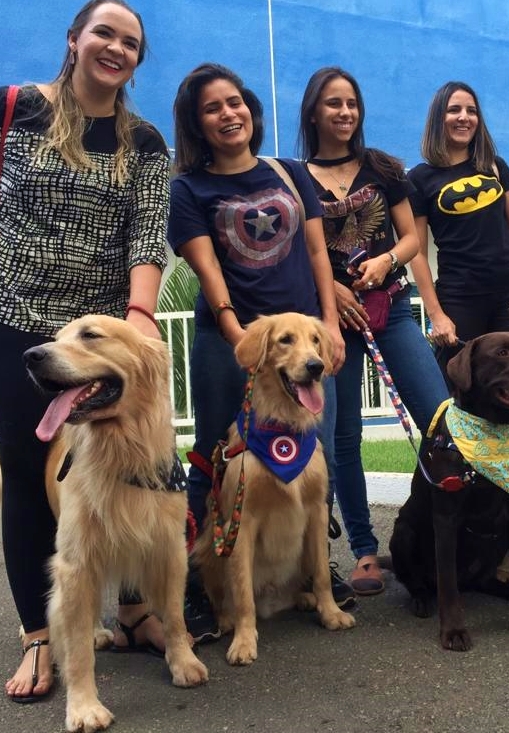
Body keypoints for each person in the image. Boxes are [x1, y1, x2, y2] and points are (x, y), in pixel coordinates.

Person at [0, 0, 172, 702]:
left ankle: (134, 611)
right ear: (75, 38)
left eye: (130, 42)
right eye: (104, 32)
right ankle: (40, 638)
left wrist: (138, 312)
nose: (116, 47)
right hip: (12, 318)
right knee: (25, 469)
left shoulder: (145, 142)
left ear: (137, 60)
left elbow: (146, 230)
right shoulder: (15, 106)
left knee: (127, 472)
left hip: (98, 333)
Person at [167, 63, 352, 634]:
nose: (229, 114)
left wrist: (329, 326)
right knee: (215, 458)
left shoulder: (290, 172)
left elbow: (319, 255)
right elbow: (209, 274)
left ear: (251, 109)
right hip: (234, 342)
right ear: (197, 124)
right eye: (213, 108)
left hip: (304, 341)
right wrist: (242, 341)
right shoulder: (190, 187)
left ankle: (312, 574)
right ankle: (205, 584)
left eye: (235, 102)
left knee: (314, 458)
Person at [297, 67, 449, 595]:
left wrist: (385, 261)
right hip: (333, 323)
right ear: (314, 110)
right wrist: (331, 293)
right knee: (341, 440)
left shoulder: (384, 167)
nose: (344, 113)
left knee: (439, 418)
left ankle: (442, 536)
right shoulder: (296, 177)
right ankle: (362, 550)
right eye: (333, 104)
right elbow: (304, 254)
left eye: (352, 104)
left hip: (391, 309)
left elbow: (412, 239)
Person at [407, 81, 509, 378]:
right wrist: (436, 314)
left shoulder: (494, 166)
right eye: (454, 110)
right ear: (437, 119)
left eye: (471, 111)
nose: (464, 117)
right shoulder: (420, 178)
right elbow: (416, 252)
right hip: (460, 297)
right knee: (461, 381)